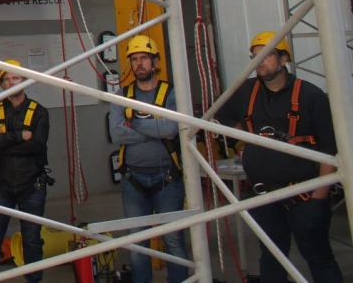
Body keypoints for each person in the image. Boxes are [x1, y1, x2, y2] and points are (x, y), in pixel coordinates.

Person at [217, 31, 339, 283]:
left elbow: (330, 149)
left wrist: (318, 198)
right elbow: (221, 116)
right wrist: (247, 135)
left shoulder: (310, 96)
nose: (258, 61)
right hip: (264, 195)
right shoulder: (245, 91)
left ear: (284, 59)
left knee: (318, 256)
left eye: (266, 55)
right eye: (254, 56)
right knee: (271, 257)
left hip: (305, 196)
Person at [107, 36, 188, 283]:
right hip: (134, 180)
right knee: (137, 245)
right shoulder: (123, 95)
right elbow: (116, 133)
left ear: (155, 61)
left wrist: (136, 124)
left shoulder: (171, 92)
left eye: (143, 58)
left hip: (168, 179)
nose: (139, 64)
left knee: (173, 241)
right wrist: (154, 127)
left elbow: (171, 129)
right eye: (134, 59)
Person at [0, 60, 50, 282]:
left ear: (24, 80)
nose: (11, 82)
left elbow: (36, 145)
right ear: (2, 84)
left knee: (32, 241)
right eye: (7, 79)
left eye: (15, 77)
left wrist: (4, 137)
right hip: (1, 185)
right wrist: (19, 136)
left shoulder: (39, 112)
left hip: (32, 185)